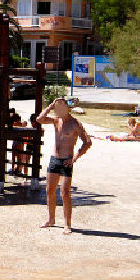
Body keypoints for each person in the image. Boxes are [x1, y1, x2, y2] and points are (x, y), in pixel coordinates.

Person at [37, 98, 92, 235]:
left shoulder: (75, 123)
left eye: (61, 107)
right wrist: (50, 106)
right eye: (57, 108)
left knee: (65, 193)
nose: (59, 110)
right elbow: (39, 119)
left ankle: (67, 224)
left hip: (67, 160)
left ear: (68, 108)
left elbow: (87, 142)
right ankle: (51, 220)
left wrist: (75, 157)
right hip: (54, 159)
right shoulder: (56, 120)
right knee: (49, 190)